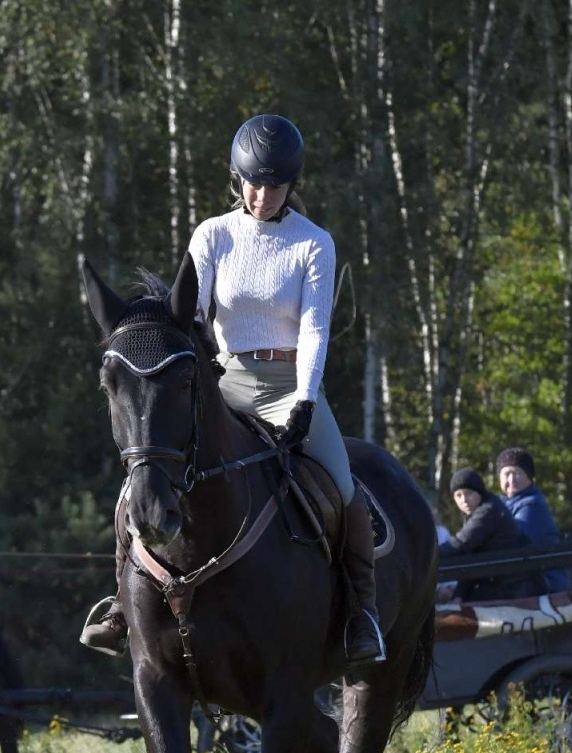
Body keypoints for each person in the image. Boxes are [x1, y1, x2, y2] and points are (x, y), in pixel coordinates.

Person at [81, 113, 385, 665]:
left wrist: (305, 398)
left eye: (274, 185)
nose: (262, 195)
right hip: (222, 383)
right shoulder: (212, 235)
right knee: (143, 478)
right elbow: (189, 317)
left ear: (293, 185)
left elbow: (315, 326)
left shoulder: (313, 243)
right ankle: (122, 609)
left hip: (291, 381)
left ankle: (362, 615)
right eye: (253, 183)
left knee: (343, 489)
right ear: (236, 177)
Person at [439, 467, 536, 602]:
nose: (464, 500)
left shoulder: (488, 511)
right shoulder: (475, 513)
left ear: (479, 492)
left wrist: (428, 555)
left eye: (469, 493)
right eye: (458, 495)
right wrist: (459, 595)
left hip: (515, 587)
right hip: (499, 582)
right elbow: (471, 555)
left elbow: (461, 543)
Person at [495, 446, 570, 593]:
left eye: (517, 473)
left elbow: (513, 544)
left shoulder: (533, 504)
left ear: (529, 477)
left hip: (543, 581)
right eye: (507, 474)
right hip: (521, 577)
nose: (511, 479)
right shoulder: (499, 504)